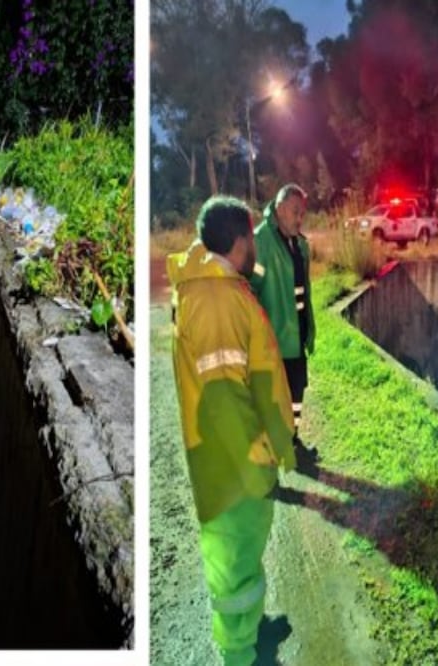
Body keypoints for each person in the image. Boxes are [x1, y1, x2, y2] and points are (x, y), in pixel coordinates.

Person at [168, 195, 296, 666]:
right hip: (235, 460)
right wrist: (260, 456)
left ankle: (253, 630)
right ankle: (240, 655)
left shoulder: (213, 287)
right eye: (252, 234)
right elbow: (225, 397)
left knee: (243, 557)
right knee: (234, 564)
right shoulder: (220, 300)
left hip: (227, 456)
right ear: (241, 240)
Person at [249, 184, 315, 455]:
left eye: (302, 214)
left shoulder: (299, 244)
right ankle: (271, 450)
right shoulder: (260, 242)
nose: (299, 219)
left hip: (297, 334)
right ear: (279, 209)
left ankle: (292, 438)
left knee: (297, 391)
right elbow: (250, 289)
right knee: (273, 397)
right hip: (274, 338)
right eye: (294, 212)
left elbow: (304, 291)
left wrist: (308, 328)